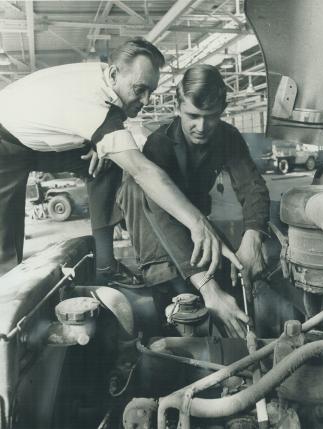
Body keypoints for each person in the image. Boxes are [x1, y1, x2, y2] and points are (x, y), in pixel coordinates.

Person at [0, 38, 240, 278]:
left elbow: (79, 114)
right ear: (114, 74)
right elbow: (143, 171)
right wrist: (198, 223)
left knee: (106, 163)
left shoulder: (105, 79)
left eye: (151, 91)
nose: (146, 100)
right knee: (5, 251)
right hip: (5, 145)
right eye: (139, 89)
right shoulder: (93, 103)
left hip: (37, 138)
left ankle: (104, 265)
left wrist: (98, 143)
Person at [116, 64, 270, 337]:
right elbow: (160, 216)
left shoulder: (227, 136)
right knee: (177, 299)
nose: (202, 127)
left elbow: (252, 186)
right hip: (154, 226)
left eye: (211, 117)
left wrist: (253, 236)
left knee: (233, 272)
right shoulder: (159, 143)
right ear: (177, 107)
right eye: (193, 116)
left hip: (198, 222)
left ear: (221, 111)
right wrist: (207, 287)